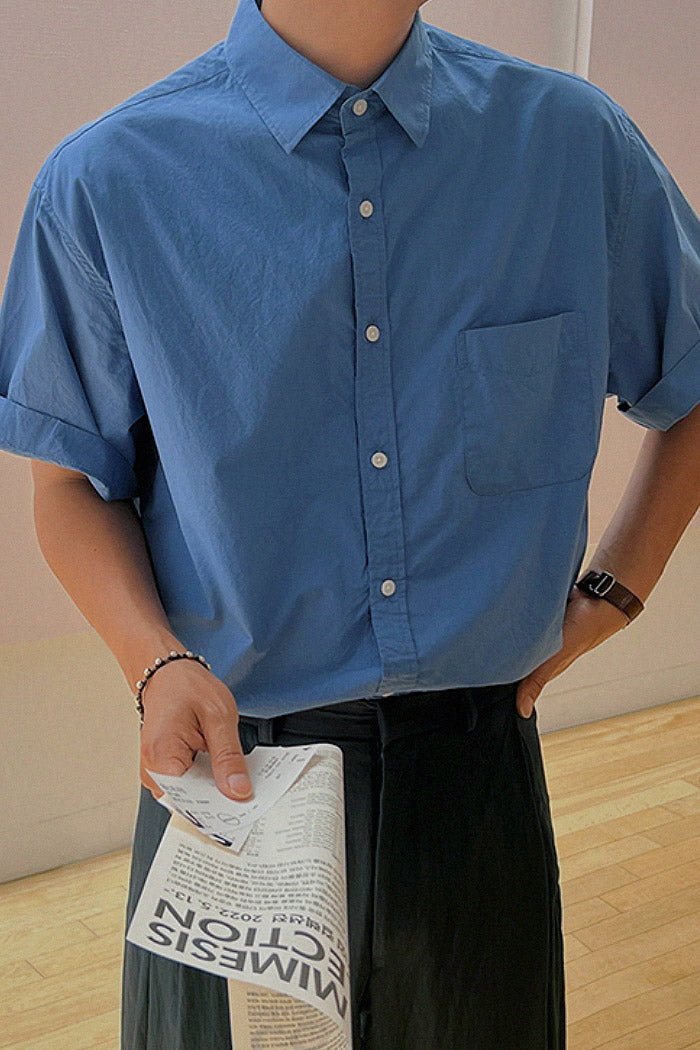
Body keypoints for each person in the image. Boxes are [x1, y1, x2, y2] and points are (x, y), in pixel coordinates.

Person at [1, 0, 699, 1046]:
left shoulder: (569, 145)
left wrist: (615, 589)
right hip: (235, 775)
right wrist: (154, 662)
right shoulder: (109, 179)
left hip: (476, 779)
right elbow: (68, 487)